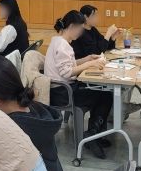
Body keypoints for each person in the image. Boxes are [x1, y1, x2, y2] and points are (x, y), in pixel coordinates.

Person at [45, 10, 113, 159]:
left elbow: (68, 64)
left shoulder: (58, 41)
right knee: (105, 95)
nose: (81, 33)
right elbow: (67, 72)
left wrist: (87, 59)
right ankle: (93, 135)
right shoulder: (63, 45)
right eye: (80, 29)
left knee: (103, 93)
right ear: (71, 26)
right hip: (63, 93)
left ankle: (94, 135)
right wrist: (90, 64)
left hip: (63, 89)